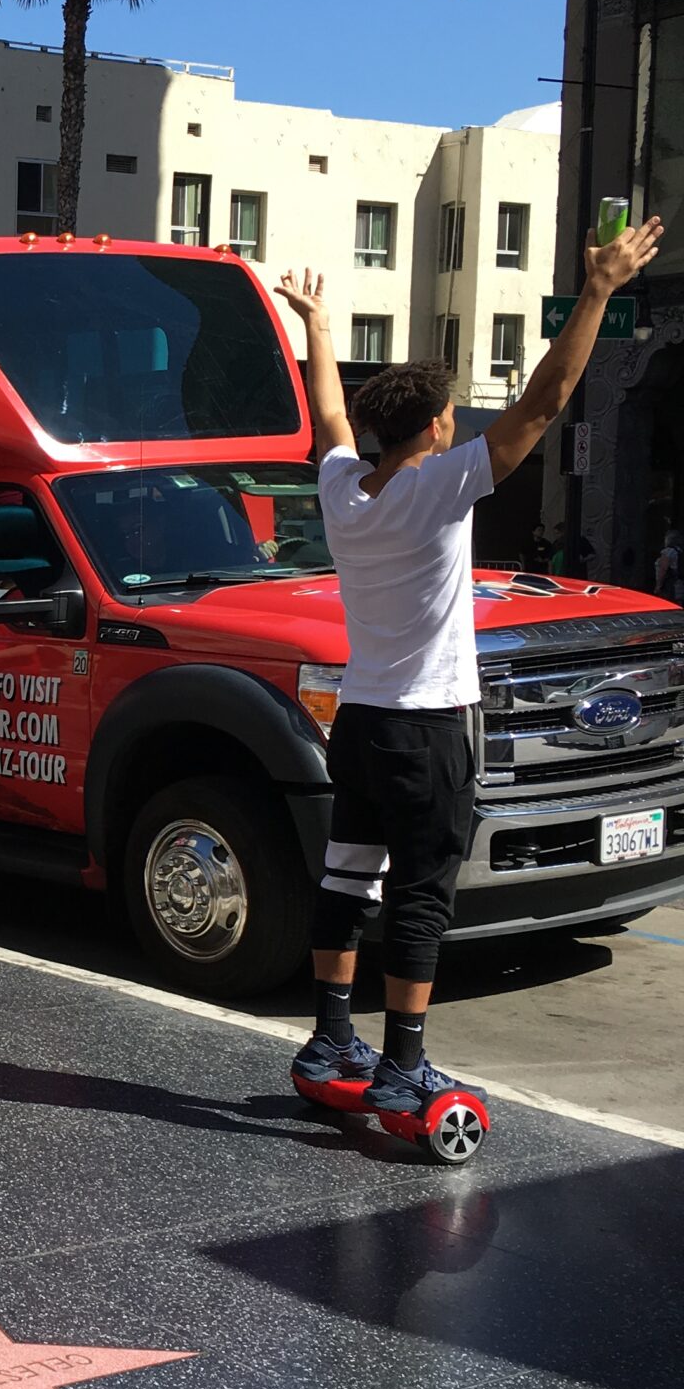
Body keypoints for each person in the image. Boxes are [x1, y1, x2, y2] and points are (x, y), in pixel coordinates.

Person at [276, 214, 663, 1119]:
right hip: (427, 729)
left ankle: (332, 1034)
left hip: (362, 725)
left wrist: (318, 328)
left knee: (346, 878)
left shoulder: (345, 488)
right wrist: (599, 290)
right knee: (420, 894)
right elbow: (542, 403)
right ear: (442, 427)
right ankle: (403, 1066)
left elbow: (331, 415)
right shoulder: (439, 485)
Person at [654, 525, 682, 603]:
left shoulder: (668, 551)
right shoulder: (679, 551)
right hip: (679, 583)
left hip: (669, 585)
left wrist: (658, 586)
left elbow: (663, 568)